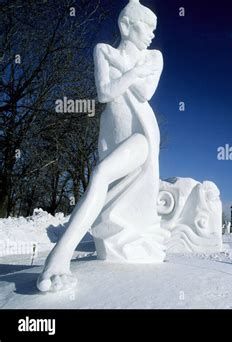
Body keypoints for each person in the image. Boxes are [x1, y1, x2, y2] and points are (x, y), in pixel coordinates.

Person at [37, 0, 167, 292]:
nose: (152, 34)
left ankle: (58, 258)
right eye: (147, 26)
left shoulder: (154, 57)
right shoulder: (103, 51)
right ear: (126, 26)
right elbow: (105, 93)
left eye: (154, 28)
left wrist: (125, 71)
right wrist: (132, 72)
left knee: (100, 175)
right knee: (104, 186)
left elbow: (145, 92)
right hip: (111, 136)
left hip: (141, 136)